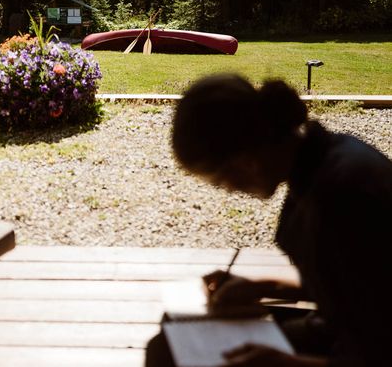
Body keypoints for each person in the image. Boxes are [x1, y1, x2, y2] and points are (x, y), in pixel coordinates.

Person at [146, 73, 392, 367]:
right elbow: (351, 285)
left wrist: (286, 363)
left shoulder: (343, 194)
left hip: (361, 348)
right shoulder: (323, 161)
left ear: (244, 161)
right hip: (342, 332)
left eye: (219, 181)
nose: (229, 190)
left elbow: (378, 346)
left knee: (171, 352)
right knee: (173, 337)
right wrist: (264, 286)